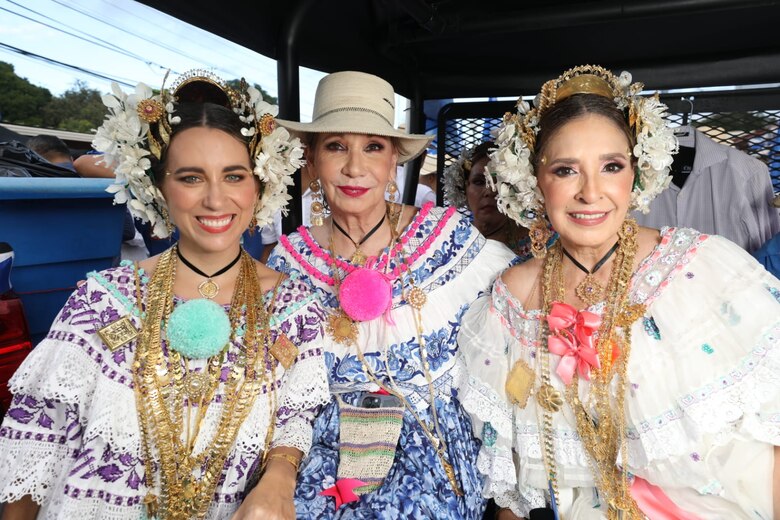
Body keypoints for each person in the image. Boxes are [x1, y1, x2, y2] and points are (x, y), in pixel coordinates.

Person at [0, 72, 330, 519]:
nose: (216, 199)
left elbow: (296, 417)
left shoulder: (293, 309)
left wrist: (279, 477)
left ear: (259, 186)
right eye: (192, 177)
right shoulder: (103, 301)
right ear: (160, 187)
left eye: (234, 176)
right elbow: (39, 440)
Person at [457, 65, 780, 519]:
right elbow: (511, 489)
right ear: (535, 179)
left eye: (611, 166)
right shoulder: (512, 300)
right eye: (566, 170)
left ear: (636, 172)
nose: (592, 193)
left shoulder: (701, 268)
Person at [267, 70, 515, 519]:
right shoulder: (288, 262)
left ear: (394, 160)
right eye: (336, 146)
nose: (354, 168)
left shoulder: (449, 239)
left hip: (436, 464)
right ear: (311, 157)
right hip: (325, 468)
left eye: (373, 147)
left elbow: (510, 348)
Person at [443, 141, 548, 261]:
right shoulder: (450, 241)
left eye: (499, 182)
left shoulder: (538, 244)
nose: (489, 191)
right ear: (464, 188)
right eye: (479, 182)